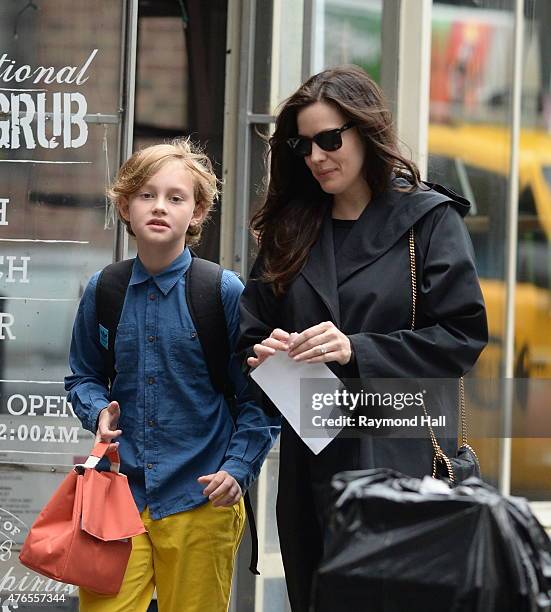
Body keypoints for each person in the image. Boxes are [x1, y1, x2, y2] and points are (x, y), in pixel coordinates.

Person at [237, 65, 488, 612]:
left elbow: (462, 337)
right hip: (315, 455)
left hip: (404, 454)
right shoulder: (292, 229)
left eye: (330, 139)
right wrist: (267, 357)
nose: (317, 157)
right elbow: (250, 330)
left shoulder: (428, 220)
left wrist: (357, 349)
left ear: (365, 130)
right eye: (304, 145)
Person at [65, 139, 280, 612]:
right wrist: (97, 411)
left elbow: (260, 398)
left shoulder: (221, 291)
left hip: (200, 497)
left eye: (176, 197)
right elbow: (82, 375)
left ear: (197, 211)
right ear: (125, 204)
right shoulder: (105, 290)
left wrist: (238, 469)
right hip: (117, 496)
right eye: (146, 194)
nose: (160, 206)